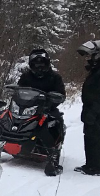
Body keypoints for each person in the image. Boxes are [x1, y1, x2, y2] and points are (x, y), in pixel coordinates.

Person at [17, 48, 66, 176]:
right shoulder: (26, 76)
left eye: (42, 63)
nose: (39, 67)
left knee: (53, 122)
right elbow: (19, 90)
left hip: (47, 109)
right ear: (31, 64)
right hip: (26, 108)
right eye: (36, 64)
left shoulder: (54, 77)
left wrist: (51, 101)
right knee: (5, 117)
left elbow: (61, 94)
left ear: (47, 63)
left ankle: (53, 154)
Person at [73, 39, 100, 176]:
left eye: (88, 55)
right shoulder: (97, 69)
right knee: (89, 135)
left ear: (98, 54)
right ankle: (90, 165)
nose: (86, 58)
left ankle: (99, 168)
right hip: (92, 109)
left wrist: (94, 112)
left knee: (97, 135)